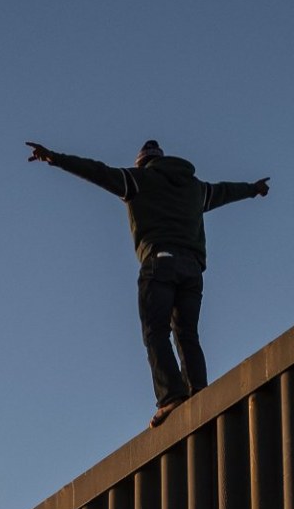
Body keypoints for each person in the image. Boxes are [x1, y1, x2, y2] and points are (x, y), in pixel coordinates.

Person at [26, 139, 269, 427]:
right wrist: (253, 189)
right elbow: (226, 191)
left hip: (160, 263)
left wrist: (55, 158)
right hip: (193, 270)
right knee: (187, 333)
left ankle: (171, 397)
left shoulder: (138, 179)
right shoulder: (195, 188)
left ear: (142, 162)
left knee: (155, 332)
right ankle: (199, 392)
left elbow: (98, 172)